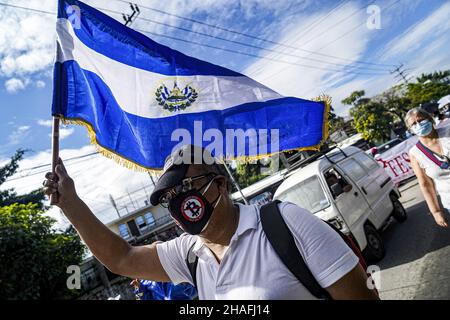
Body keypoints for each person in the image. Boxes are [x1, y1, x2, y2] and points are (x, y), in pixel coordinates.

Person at [43, 145, 378, 300]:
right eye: (168, 196)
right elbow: (121, 258)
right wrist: (71, 204)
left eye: (186, 188)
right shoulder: (188, 254)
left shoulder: (286, 223)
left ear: (221, 184)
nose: (178, 201)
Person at [406, 107, 450, 228]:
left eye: (421, 120)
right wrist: (435, 211)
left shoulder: (448, 132)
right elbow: (425, 184)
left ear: (430, 119)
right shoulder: (415, 154)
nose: (418, 124)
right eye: (414, 124)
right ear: (411, 130)